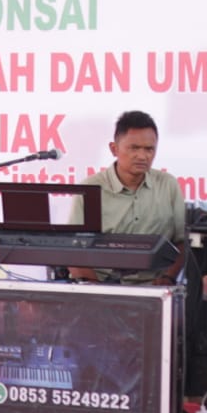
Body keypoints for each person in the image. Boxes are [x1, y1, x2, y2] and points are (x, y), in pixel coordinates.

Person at [68, 110, 186, 285]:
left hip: (155, 287)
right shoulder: (90, 188)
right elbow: (71, 249)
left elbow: (183, 242)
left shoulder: (168, 185)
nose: (142, 156)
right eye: (134, 148)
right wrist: (95, 289)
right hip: (102, 285)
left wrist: (168, 278)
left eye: (149, 149)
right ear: (114, 149)